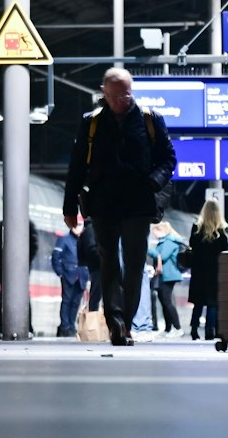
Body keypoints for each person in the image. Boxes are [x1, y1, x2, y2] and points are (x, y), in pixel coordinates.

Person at [63, 68, 177, 347]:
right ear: (104, 92)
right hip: (103, 204)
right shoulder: (91, 123)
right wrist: (69, 207)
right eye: (114, 96)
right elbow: (77, 166)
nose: (120, 101)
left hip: (138, 203)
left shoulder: (150, 120)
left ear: (132, 91)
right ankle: (116, 323)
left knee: (135, 264)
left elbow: (168, 159)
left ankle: (126, 319)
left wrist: (154, 181)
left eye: (125, 95)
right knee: (109, 261)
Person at [187, 197, 228, 341]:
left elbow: (191, 245)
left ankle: (194, 329)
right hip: (215, 272)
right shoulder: (222, 230)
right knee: (212, 303)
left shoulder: (196, 228)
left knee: (198, 303)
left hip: (199, 271)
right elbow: (225, 250)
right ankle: (210, 330)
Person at [148, 222, 184, 336]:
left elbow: (162, 256)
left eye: (155, 231)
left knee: (167, 301)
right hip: (164, 275)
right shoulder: (165, 241)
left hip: (169, 275)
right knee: (163, 301)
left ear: (162, 230)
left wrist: (148, 249)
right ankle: (168, 328)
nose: (153, 234)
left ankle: (177, 328)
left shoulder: (169, 242)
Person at [52, 227, 88, 338]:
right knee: (67, 301)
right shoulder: (64, 239)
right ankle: (65, 327)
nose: (79, 228)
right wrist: (60, 272)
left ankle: (71, 325)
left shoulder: (85, 240)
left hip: (82, 275)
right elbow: (56, 257)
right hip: (68, 275)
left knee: (76, 302)